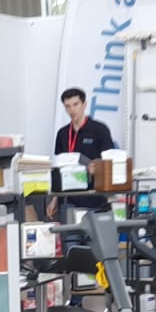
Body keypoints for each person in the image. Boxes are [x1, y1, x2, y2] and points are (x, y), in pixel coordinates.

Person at [50, 87, 117, 217]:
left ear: (84, 105)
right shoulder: (63, 133)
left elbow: (109, 163)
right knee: (69, 229)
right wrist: (54, 199)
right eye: (67, 106)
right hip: (68, 198)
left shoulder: (99, 129)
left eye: (75, 104)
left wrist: (97, 168)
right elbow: (58, 167)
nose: (72, 109)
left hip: (94, 197)